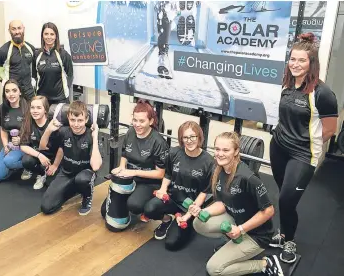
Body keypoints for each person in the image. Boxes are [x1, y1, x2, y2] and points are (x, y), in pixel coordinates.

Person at [269, 32, 338, 263]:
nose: (295, 64)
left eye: (301, 60)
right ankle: (282, 233)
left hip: (302, 154)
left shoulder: (322, 93)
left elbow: (329, 129)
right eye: (292, 59)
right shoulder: (287, 84)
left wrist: (308, 145)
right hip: (279, 147)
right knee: (283, 197)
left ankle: (289, 239)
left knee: (287, 200)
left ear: (312, 63)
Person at [193, 132, 283, 276]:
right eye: (217, 149)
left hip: (257, 235)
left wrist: (240, 229)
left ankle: (265, 264)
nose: (220, 154)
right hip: (236, 220)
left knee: (214, 269)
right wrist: (204, 211)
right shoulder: (218, 170)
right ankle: (231, 243)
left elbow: (269, 211)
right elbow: (223, 202)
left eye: (225, 150)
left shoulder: (248, 178)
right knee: (198, 223)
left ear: (236, 152)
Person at [143, 121, 214, 250]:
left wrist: (187, 216)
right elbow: (168, 174)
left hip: (191, 206)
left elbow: (204, 192)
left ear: (199, 137)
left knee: (171, 245)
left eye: (193, 136)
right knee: (149, 208)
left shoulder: (209, 162)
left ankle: (190, 225)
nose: (189, 140)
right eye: (185, 137)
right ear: (181, 139)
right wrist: (163, 189)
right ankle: (167, 220)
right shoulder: (174, 153)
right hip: (172, 199)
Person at [39, 101, 102, 215]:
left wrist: (95, 137)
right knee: (46, 207)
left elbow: (96, 166)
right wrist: (48, 130)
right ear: (68, 118)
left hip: (85, 173)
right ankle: (74, 188)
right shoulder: (64, 132)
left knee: (82, 179)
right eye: (73, 120)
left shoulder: (90, 135)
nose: (76, 124)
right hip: (66, 173)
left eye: (80, 120)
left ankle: (87, 196)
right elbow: (42, 147)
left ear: (86, 120)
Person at [112, 100, 169, 220]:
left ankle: (151, 211)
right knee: (105, 210)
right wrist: (122, 167)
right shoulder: (131, 132)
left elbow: (160, 174)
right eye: (135, 120)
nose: (137, 124)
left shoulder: (158, 142)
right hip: (130, 177)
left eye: (142, 121)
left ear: (151, 121)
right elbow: (124, 153)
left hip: (149, 182)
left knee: (134, 205)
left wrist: (134, 172)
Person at [19, 96, 62, 189]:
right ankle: (41, 173)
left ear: (45, 110)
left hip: (53, 157)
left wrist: (55, 165)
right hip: (38, 154)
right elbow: (23, 145)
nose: (35, 111)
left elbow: (62, 147)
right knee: (26, 161)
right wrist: (39, 155)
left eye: (39, 108)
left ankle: (47, 171)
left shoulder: (53, 124)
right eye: (32, 107)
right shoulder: (27, 121)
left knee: (53, 185)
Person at [0, 79, 29, 182]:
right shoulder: (3, 108)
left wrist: (21, 140)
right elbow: (3, 130)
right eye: (7, 91)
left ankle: (30, 164)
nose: (11, 94)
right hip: (11, 144)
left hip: (26, 144)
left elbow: (33, 132)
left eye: (14, 90)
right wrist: (6, 146)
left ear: (20, 92)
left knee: (8, 161)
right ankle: (15, 164)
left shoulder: (27, 107)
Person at [0, 20, 36, 101]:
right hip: (12, 94)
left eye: (19, 28)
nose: (17, 32)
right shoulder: (2, 51)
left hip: (29, 93)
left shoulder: (31, 48)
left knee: (31, 113)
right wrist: (8, 85)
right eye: (13, 29)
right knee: (12, 114)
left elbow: (34, 68)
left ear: (23, 29)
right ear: (9, 31)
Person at [35, 22, 73, 105]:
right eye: (46, 34)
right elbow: (34, 76)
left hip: (60, 100)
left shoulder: (63, 54)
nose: (49, 37)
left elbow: (70, 75)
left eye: (52, 34)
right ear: (42, 36)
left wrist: (64, 90)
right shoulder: (37, 55)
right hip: (42, 100)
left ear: (56, 36)